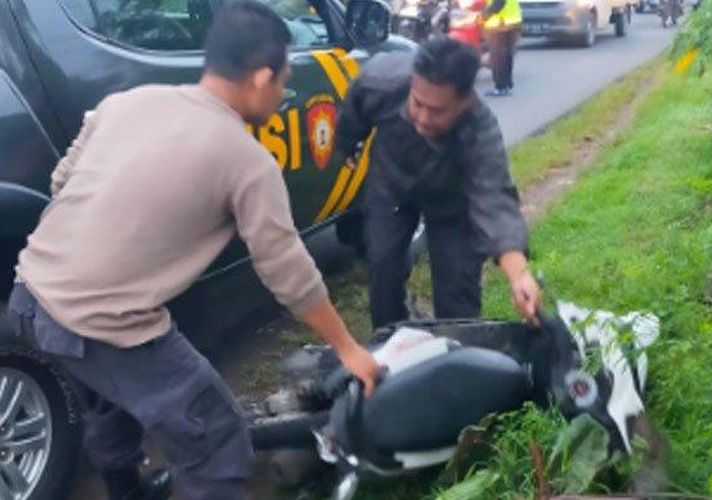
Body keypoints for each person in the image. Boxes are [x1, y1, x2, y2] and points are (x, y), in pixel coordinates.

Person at [5, 3, 379, 499]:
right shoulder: (246, 160)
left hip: (30, 298)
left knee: (109, 402)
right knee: (220, 443)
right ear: (262, 78)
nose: (283, 91)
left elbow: (61, 181)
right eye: (283, 79)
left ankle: (127, 491)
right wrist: (350, 350)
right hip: (101, 323)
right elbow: (286, 269)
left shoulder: (127, 102)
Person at [336, 36, 541, 331]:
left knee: (457, 294)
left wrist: (519, 275)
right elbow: (354, 111)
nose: (422, 118)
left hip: (452, 204)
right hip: (391, 186)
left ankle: (458, 355)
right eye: (417, 103)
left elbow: (494, 200)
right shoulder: (381, 80)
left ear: (465, 100)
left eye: (437, 111)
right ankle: (392, 342)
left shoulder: (480, 128)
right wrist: (347, 144)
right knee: (382, 268)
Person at [483, 0, 522, 96]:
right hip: (512, 21)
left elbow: (498, 3)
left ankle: (500, 87)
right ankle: (507, 84)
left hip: (500, 24)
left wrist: (484, 15)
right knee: (506, 56)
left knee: (497, 58)